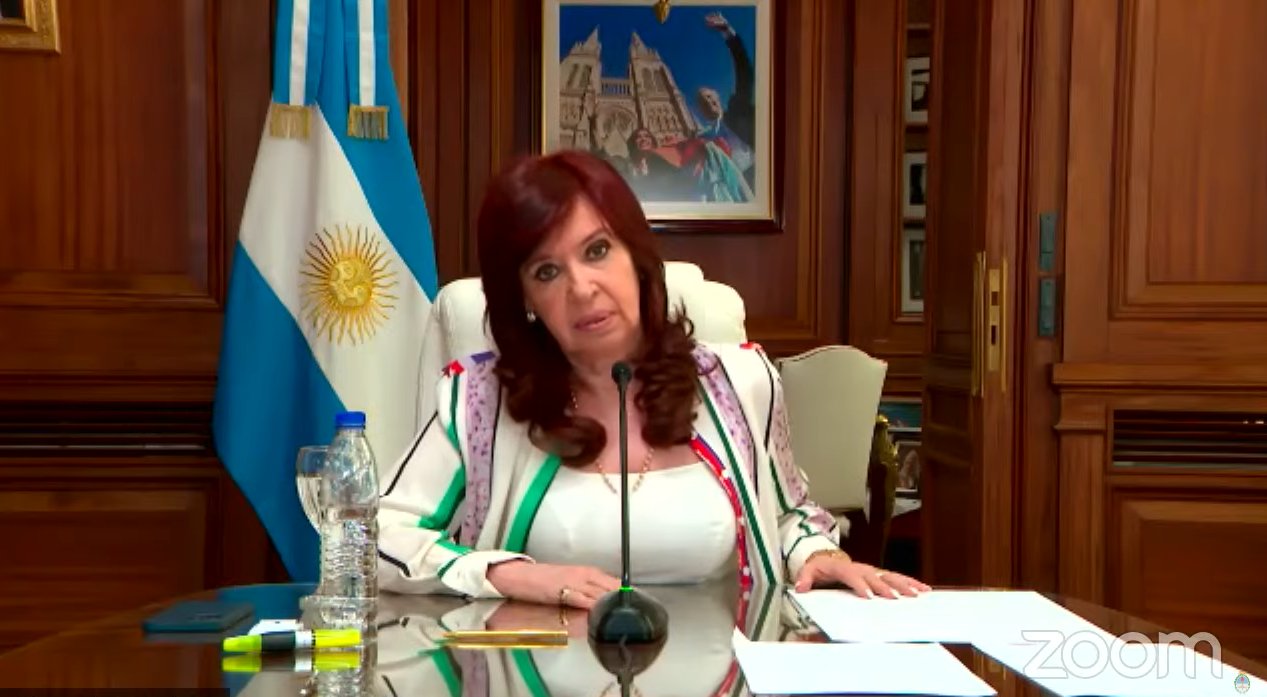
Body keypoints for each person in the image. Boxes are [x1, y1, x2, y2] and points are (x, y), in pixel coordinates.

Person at [376, 150, 929, 608]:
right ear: (525, 300)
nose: (582, 288)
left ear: (636, 255)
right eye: (547, 271)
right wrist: (507, 574)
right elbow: (374, 537)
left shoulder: (740, 382)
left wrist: (821, 556)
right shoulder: (478, 401)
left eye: (597, 250)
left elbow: (788, 515)